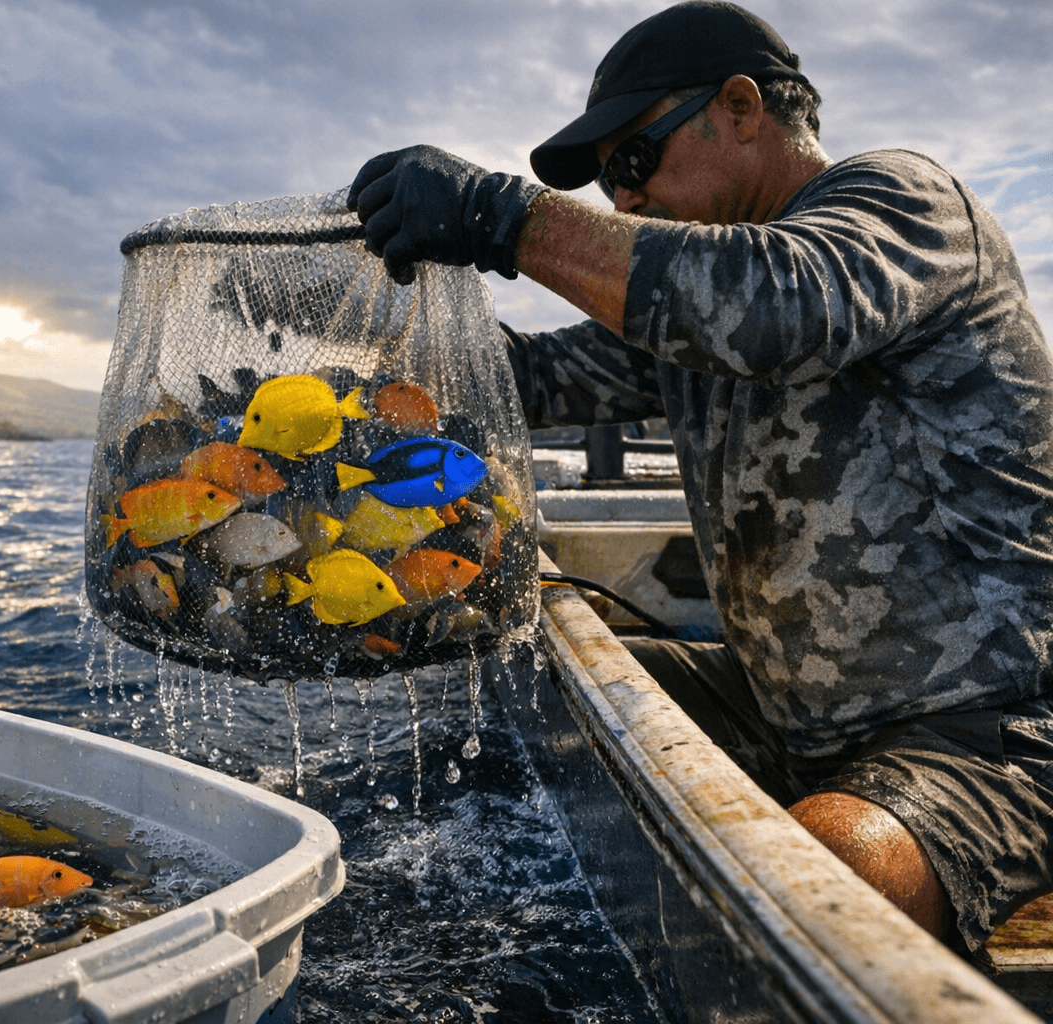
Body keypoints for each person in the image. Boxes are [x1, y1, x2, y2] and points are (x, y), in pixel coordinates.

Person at [347, 0, 1053, 964]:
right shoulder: (684, 313)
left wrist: (502, 216)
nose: (621, 200)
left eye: (630, 162)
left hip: (986, 735)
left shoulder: (904, 207)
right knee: (508, 699)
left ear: (741, 106)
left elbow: (773, 304)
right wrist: (350, 345)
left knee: (799, 896)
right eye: (604, 182)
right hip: (778, 705)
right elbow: (530, 379)